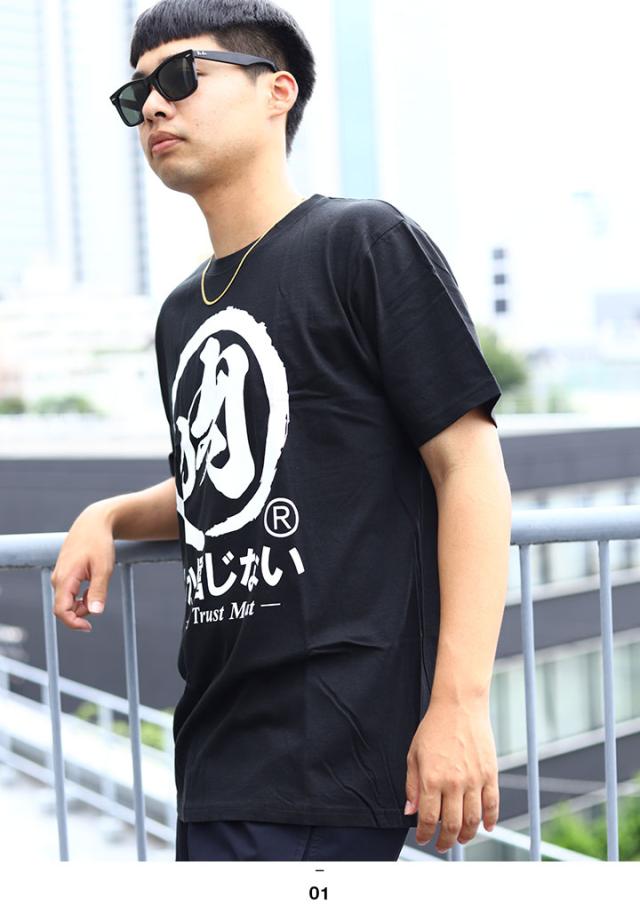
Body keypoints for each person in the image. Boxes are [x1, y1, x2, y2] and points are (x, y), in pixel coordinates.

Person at [51, 0, 512, 862]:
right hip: (216, 751)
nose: (154, 106)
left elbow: (470, 464)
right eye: (136, 94)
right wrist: (109, 513)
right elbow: (221, 483)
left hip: (334, 749)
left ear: (278, 92)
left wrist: (460, 703)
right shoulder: (180, 312)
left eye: (181, 76)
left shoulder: (365, 242)